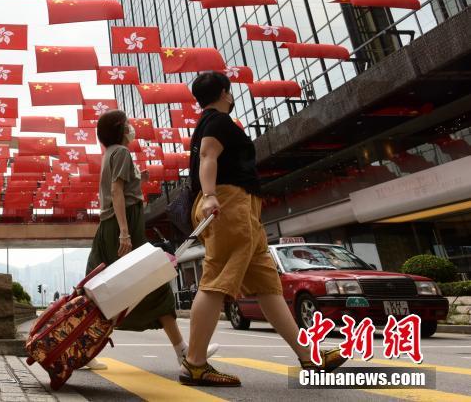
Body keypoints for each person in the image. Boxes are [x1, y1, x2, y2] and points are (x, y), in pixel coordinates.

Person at [180, 72, 346, 387]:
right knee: (216, 278)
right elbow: (207, 155)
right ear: (226, 92)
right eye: (231, 91)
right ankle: (196, 364)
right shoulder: (216, 121)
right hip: (228, 203)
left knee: (269, 287)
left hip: (242, 208)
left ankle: (309, 357)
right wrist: (211, 195)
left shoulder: (212, 121)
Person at [84, 109, 218, 370]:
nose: (131, 128)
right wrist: (124, 232)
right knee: (151, 284)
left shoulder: (110, 154)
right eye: (127, 124)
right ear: (119, 130)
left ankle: (83, 349)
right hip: (122, 228)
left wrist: (138, 178)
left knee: (101, 290)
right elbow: (116, 191)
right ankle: (184, 353)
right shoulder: (121, 152)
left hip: (110, 227)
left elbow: (118, 188)